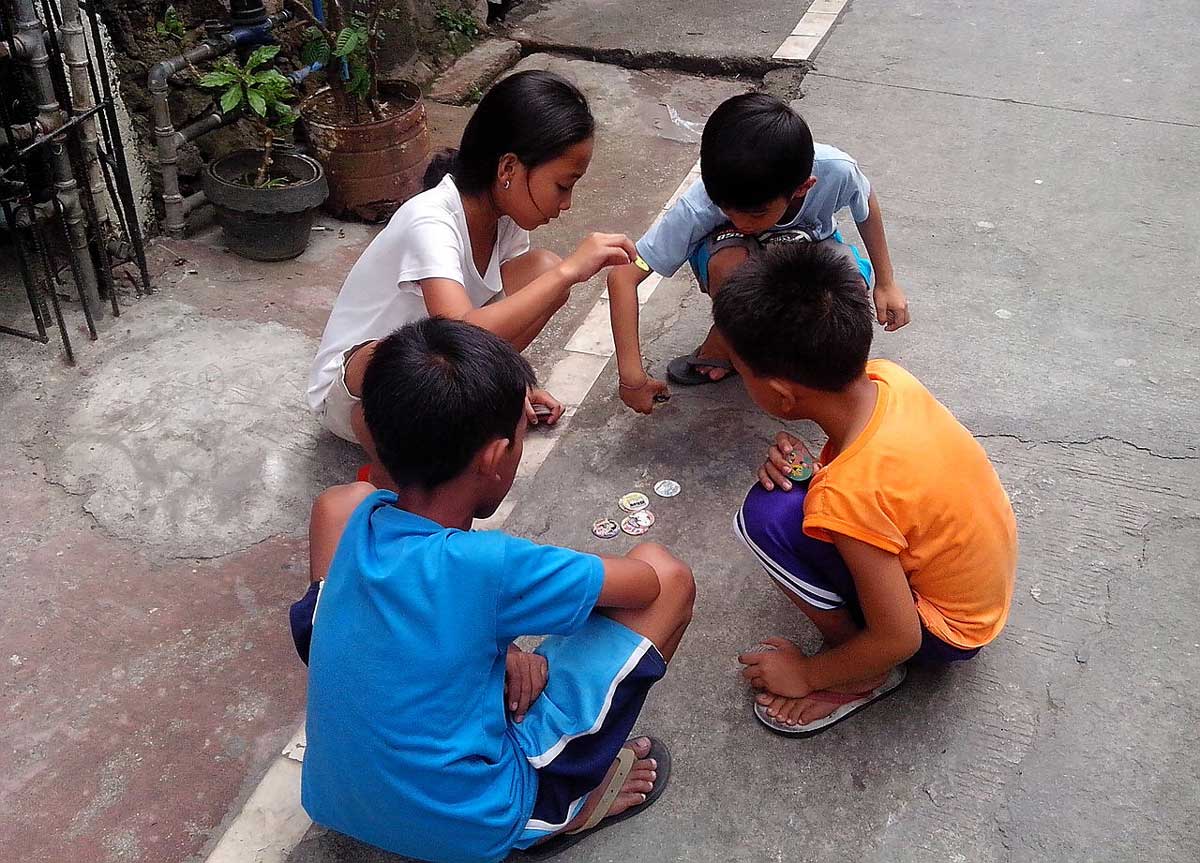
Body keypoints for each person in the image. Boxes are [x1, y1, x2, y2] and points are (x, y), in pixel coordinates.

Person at [291, 318, 695, 862]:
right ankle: (564, 809)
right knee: (670, 577)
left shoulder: (341, 514)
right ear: (494, 457)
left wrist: (500, 643)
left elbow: (414, 597)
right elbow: (645, 583)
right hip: (470, 824)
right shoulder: (491, 565)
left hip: (333, 797)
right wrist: (509, 615)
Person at [712, 243, 1016, 737]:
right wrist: (821, 468)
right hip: (981, 594)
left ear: (782, 395)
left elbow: (898, 637)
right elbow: (883, 473)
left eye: (742, 372)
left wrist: (806, 674)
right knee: (808, 499)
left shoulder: (849, 494)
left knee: (764, 517)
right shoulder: (887, 379)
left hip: (945, 634)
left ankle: (862, 676)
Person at [306, 70, 638, 485]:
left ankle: (466, 402)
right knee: (390, 354)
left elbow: (494, 320)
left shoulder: (506, 220)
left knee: (544, 273)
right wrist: (573, 269)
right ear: (509, 168)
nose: (567, 204)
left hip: (428, 378)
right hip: (353, 393)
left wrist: (512, 385)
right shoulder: (430, 219)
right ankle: (397, 483)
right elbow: (454, 330)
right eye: (562, 185)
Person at [608, 92, 911, 414]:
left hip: (811, 247)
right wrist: (631, 379)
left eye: (754, 215)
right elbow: (623, 276)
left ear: (802, 188)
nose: (739, 221)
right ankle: (731, 337)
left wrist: (886, 282)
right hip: (735, 255)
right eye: (727, 210)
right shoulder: (699, 204)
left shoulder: (836, 169)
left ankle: (760, 345)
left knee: (847, 287)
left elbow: (866, 203)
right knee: (729, 266)